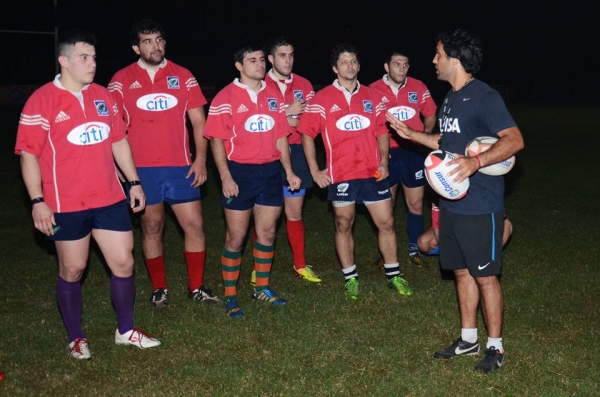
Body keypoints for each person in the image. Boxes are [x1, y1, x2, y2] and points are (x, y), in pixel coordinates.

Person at [15, 29, 160, 360]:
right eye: (84, 57)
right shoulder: (41, 100)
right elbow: (29, 155)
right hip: (65, 203)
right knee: (74, 269)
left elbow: (118, 140)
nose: (92, 63)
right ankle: (76, 337)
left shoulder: (103, 95)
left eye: (94, 57)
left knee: (124, 261)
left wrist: (133, 181)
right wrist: (38, 202)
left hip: (108, 197)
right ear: (64, 61)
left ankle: (125, 330)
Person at [386, 29, 524, 373]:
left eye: (438, 54)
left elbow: (515, 140)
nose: (434, 60)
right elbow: (446, 143)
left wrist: (476, 162)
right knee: (461, 272)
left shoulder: (484, 97)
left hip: (481, 205)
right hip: (450, 204)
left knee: (486, 277)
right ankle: (468, 338)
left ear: (456, 59)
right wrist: (412, 134)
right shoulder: (449, 97)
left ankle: (496, 347)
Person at [108, 19, 219, 308]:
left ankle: (197, 287)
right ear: (136, 47)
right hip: (141, 168)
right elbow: (113, 127)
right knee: (152, 226)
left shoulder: (183, 76)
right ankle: (160, 288)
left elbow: (199, 121)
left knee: (194, 224)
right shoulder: (120, 80)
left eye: (158, 39)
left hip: (180, 165)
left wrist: (201, 159)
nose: (155, 45)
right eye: (147, 41)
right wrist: (122, 170)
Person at [299, 43, 413, 299]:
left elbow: (382, 132)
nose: (349, 66)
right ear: (334, 68)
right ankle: (350, 277)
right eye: (344, 62)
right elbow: (306, 133)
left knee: (386, 223)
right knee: (343, 223)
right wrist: (315, 171)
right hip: (340, 173)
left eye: (353, 62)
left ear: (359, 66)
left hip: (372, 171)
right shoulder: (322, 98)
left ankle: (394, 275)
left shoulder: (373, 96)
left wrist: (384, 161)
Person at [204, 42, 301, 318]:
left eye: (261, 60)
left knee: (268, 233)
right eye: (252, 60)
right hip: (240, 173)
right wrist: (225, 176)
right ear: (239, 66)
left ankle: (261, 287)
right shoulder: (225, 97)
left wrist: (290, 171)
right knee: (236, 237)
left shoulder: (273, 94)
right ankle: (231, 296)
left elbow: (281, 135)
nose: (260, 65)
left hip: (270, 172)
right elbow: (217, 141)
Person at [369, 50, 437, 268]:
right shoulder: (372, 90)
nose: (402, 68)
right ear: (386, 67)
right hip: (386, 155)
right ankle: (385, 252)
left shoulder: (418, 87)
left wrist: (424, 138)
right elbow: (368, 124)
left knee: (416, 204)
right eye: (397, 64)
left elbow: (430, 112)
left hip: (412, 154)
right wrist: (379, 151)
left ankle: (414, 249)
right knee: (385, 208)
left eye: (405, 64)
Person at [262, 36, 321, 282]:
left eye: (291, 55)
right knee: (265, 214)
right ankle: (259, 268)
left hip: (296, 151)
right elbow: (257, 122)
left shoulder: (305, 84)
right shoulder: (259, 82)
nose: (288, 60)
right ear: (271, 59)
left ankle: (300, 265)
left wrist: (287, 119)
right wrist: (287, 114)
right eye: (283, 55)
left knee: (294, 212)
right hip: (265, 152)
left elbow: (309, 123)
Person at [417, 204, 513, 254]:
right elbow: (436, 221)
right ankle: (459, 251)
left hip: (476, 224)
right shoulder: (439, 185)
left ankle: (482, 254)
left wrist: (494, 252)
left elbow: (506, 224)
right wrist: (447, 247)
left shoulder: (476, 185)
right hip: (453, 224)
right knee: (424, 243)